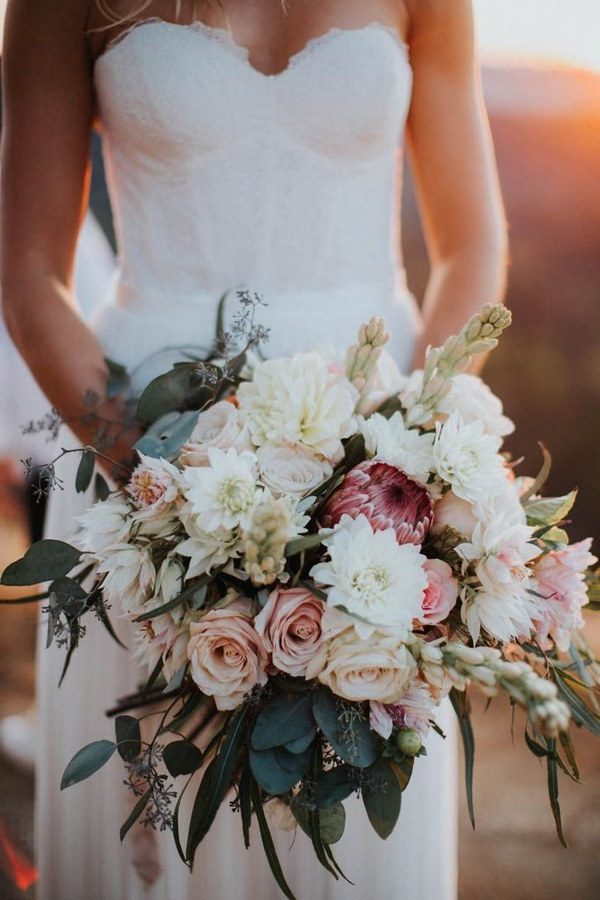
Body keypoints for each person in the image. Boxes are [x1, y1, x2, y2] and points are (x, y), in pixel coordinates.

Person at [0, 1, 508, 898]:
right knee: (157, 819)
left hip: (377, 476)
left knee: (347, 827)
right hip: (141, 457)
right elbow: (30, 272)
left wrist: (413, 458)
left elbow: (470, 245)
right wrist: (164, 490)